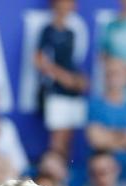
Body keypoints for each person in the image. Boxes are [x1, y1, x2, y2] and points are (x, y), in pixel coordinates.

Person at [34, 0, 89, 158]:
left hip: (74, 91)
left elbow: (78, 60)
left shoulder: (76, 29)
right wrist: (64, 77)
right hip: (56, 90)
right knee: (57, 139)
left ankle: (64, 171)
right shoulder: (47, 30)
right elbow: (39, 59)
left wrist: (77, 80)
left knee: (69, 139)